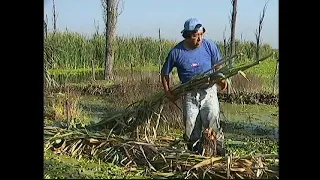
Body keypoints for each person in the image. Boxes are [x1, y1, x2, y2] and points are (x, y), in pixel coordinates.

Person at [160, 18, 227, 156]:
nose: (199, 38)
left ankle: (219, 154)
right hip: (189, 95)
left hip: (209, 92)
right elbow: (165, 73)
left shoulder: (210, 46)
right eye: (196, 35)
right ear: (187, 35)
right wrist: (168, 92)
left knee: (213, 123)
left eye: (201, 34)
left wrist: (222, 80)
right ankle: (194, 155)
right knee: (191, 128)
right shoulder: (176, 52)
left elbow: (219, 67)